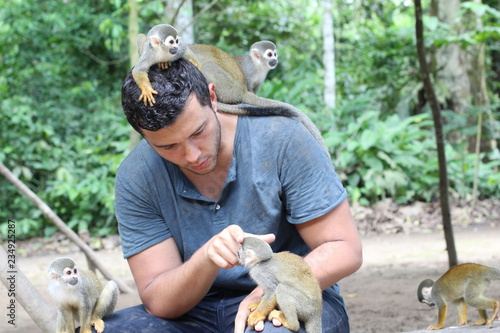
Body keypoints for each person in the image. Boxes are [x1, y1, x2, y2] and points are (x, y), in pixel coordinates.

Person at [106, 58, 362, 333]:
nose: (193, 155)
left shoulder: (282, 137)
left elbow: (344, 248)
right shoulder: (137, 175)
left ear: (213, 98)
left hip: (293, 295)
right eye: (169, 146)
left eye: (198, 132)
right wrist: (207, 257)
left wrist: (267, 294)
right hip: (193, 314)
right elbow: (160, 301)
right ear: (144, 137)